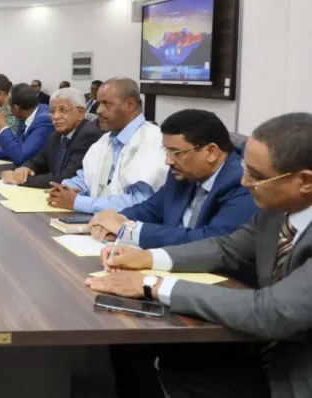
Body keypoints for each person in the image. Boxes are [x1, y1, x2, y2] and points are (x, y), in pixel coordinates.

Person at [87, 112, 312, 398]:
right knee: (144, 354)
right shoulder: (274, 212)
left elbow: (270, 311)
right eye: (245, 169)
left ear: (305, 181)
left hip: (296, 373)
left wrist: (153, 285)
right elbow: (226, 248)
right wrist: (148, 258)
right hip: (262, 350)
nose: (244, 183)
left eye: (256, 177)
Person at [88, 109, 257, 249]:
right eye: (166, 151)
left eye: (176, 152)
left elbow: (212, 241)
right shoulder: (183, 173)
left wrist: (130, 231)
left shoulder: (242, 182)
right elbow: (152, 209)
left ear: (211, 152)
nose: (168, 161)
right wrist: (115, 220)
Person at [48, 77, 167, 213]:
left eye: (106, 104)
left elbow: (140, 201)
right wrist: (65, 189)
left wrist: (78, 202)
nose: (99, 110)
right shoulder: (105, 140)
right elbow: (86, 178)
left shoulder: (153, 141)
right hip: (99, 220)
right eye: (99, 103)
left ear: (130, 105)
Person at [2, 88, 102, 188]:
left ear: (80, 113)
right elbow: (37, 161)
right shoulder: (54, 136)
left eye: (63, 110)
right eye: (52, 111)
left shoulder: (89, 135)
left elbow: (68, 178)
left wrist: (21, 180)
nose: (56, 116)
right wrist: (25, 168)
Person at [0, 83, 54, 165]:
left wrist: (2, 127)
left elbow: (20, 156)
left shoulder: (44, 121)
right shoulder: (25, 116)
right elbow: (16, 146)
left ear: (16, 108)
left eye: (9, 106)